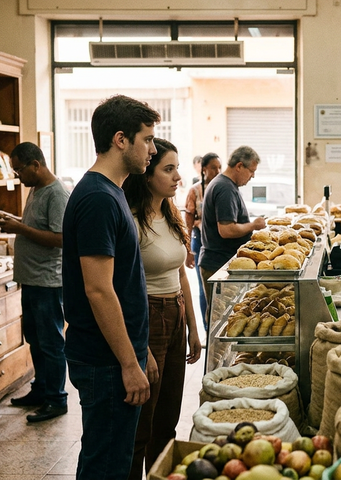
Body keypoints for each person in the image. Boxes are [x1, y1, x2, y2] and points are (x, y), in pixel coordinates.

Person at [62, 94, 159, 480]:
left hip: (117, 355)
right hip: (105, 363)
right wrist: (127, 363)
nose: (152, 149)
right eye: (147, 139)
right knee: (105, 466)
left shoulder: (113, 191)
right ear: (121, 139)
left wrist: (141, 348)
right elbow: (99, 290)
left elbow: (123, 283)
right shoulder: (98, 199)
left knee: (116, 460)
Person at [123, 138, 202, 479]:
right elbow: (121, 288)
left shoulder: (170, 215)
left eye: (177, 168)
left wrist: (193, 329)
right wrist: (141, 347)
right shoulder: (132, 220)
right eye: (169, 169)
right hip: (147, 316)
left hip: (176, 312)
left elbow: (180, 275)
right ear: (147, 175)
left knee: (168, 417)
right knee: (143, 420)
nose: (178, 177)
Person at [4, 142, 70, 423]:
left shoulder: (56, 194)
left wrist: (19, 228)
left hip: (47, 282)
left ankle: (56, 399)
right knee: (35, 339)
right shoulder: (36, 190)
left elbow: (60, 239)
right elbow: (37, 227)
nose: (18, 175)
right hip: (31, 279)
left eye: (20, 170)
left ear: (36, 164)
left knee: (51, 342)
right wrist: (15, 220)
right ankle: (40, 389)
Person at [198, 145, 266, 325]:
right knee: (221, 322)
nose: (252, 176)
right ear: (239, 166)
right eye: (251, 171)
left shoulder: (226, 185)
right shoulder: (225, 188)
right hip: (218, 265)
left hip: (220, 263)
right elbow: (226, 230)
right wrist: (253, 225)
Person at [184, 152, 222, 328]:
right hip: (199, 239)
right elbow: (189, 218)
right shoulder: (195, 190)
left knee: (220, 286)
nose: (217, 171)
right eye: (214, 167)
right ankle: (207, 327)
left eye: (219, 167)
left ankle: (220, 324)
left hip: (217, 240)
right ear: (204, 169)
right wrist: (188, 249)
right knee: (203, 287)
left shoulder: (222, 189)